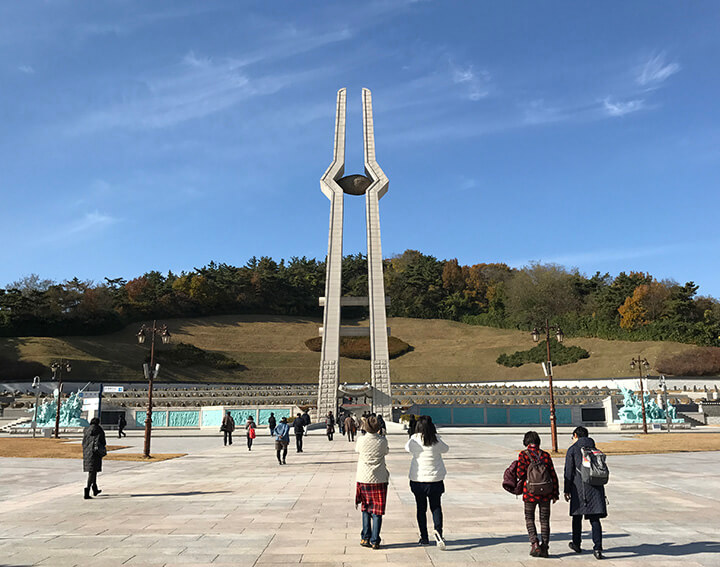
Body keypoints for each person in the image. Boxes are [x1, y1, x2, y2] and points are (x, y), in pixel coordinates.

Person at [405, 416, 449, 549]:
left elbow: (407, 448)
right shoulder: (436, 441)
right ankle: (438, 533)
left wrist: (414, 435)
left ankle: (424, 537)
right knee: (436, 507)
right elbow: (446, 449)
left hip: (418, 480)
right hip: (435, 480)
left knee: (421, 508)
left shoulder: (414, 440)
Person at [564, 426, 607, 560]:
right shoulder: (594, 449)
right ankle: (598, 548)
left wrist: (567, 489)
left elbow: (568, 472)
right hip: (596, 487)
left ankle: (576, 543)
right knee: (595, 519)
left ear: (576, 435)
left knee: (577, 517)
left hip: (579, 488)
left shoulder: (573, 450)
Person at [516, 431, 559, 557]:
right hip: (546, 493)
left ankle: (534, 544)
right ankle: (545, 547)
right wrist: (555, 493)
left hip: (530, 493)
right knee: (545, 520)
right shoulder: (545, 455)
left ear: (526, 442)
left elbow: (520, 474)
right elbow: (553, 475)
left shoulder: (523, 455)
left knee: (529, 518)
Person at [355, 416, 389, 550]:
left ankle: (365, 537)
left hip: (364, 478)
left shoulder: (361, 440)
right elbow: (386, 452)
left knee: (365, 508)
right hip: (379, 478)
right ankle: (375, 540)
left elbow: (357, 450)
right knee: (377, 511)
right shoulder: (382, 441)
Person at [82, 417, 106, 500]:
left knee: (93, 471)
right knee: (92, 472)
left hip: (87, 453)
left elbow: (84, 442)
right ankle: (87, 490)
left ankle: (95, 489)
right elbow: (103, 441)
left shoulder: (86, 430)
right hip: (95, 453)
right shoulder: (99, 429)